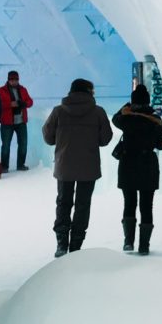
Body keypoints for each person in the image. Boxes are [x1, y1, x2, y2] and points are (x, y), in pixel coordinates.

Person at [42, 78, 112, 257]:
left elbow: (48, 138)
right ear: (89, 92)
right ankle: (76, 246)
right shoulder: (98, 112)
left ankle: (61, 243)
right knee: (83, 205)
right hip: (88, 167)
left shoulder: (58, 112)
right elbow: (105, 139)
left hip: (64, 165)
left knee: (63, 202)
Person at [111, 84, 162, 254]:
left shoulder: (126, 118)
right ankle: (144, 245)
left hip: (128, 163)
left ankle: (128, 241)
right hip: (147, 164)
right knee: (146, 205)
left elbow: (115, 118)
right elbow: (161, 145)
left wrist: (127, 107)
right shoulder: (155, 120)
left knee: (129, 203)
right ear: (148, 101)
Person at [0, 70, 34, 172]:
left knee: (23, 144)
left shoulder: (23, 89)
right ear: (8, 80)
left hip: (21, 122)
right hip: (7, 122)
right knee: (6, 145)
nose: (14, 81)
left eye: (16, 79)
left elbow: (30, 101)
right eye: (12, 79)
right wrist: (10, 104)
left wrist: (24, 103)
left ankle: (20, 165)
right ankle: (4, 166)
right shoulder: (1, 91)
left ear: (18, 79)